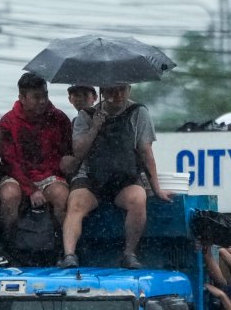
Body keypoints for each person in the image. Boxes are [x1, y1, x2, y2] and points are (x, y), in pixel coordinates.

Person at [57, 83, 171, 270]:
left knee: (138, 199)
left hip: (124, 177)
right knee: (76, 203)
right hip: (91, 177)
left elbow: (145, 151)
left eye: (122, 90)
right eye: (111, 90)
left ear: (128, 90)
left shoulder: (138, 112)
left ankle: (129, 253)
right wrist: (95, 127)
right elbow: (78, 151)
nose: (117, 95)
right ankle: (69, 254)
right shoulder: (86, 115)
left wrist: (156, 188)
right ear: (102, 92)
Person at [0, 73, 73, 234]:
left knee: (62, 196)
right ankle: (7, 241)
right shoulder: (7, 122)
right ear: (22, 98)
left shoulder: (59, 119)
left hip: (50, 176)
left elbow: (67, 153)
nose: (43, 101)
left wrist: (68, 164)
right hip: (17, 176)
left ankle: (63, 243)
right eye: (36, 97)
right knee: (9, 195)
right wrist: (30, 189)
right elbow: (9, 162)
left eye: (45, 95)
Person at [60, 85, 98, 178]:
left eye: (85, 95)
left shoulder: (100, 116)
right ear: (70, 99)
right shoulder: (72, 122)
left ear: (95, 98)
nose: (80, 99)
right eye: (76, 95)